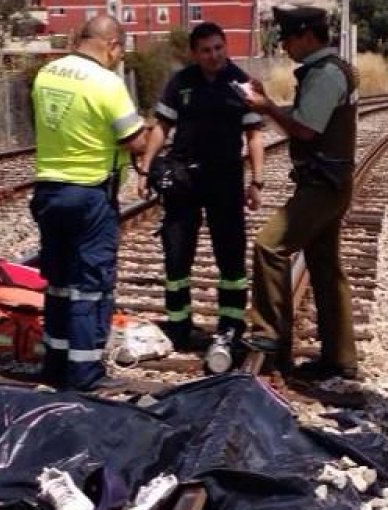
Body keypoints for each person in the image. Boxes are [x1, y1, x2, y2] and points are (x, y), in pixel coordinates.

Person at [241, 6, 359, 380]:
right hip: (329, 183)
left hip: (322, 185)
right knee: (325, 268)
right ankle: (339, 358)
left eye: (289, 38)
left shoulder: (325, 75)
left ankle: (270, 337)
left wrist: (266, 107)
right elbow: (311, 116)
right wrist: (269, 102)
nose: (286, 45)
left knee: (269, 245)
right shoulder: (329, 71)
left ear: (308, 35)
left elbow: (306, 130)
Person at [30, 15, 147, 391]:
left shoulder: (46, 74)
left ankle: (54, 363)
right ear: (111, 45)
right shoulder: (107, 84)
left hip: (48, 191)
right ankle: (84, 373)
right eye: (119, 52)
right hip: (89, 194)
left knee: (58, 280)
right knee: (89, 284)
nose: (117, 58)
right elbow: (135, 141)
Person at [138, 22, 265, 352]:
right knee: (177, 256)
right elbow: (161, 126)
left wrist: (257, 182)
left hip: (225, 180)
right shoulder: (181, 82)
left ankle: (231, 326)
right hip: (183, 179)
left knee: (231, 258)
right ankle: (178, 327)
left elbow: (254, 136)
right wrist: (146, 168)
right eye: (206, 50)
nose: (214, 56)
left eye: (219, 48)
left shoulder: (242, 83)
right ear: (195, 53)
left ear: (226, 47)